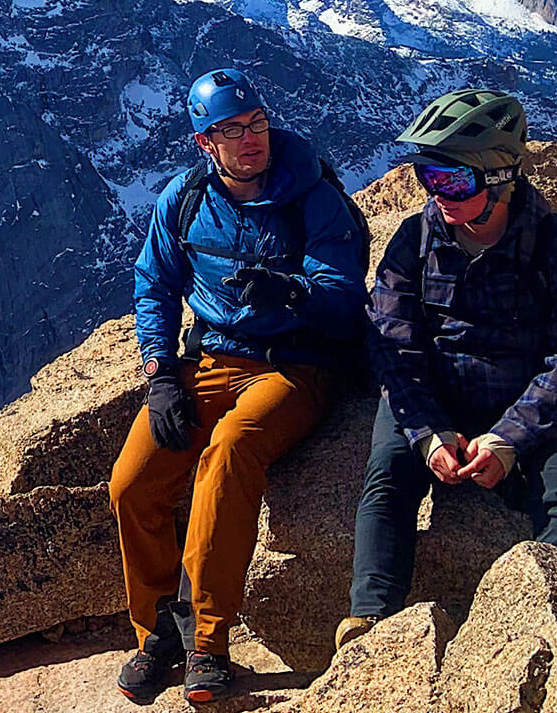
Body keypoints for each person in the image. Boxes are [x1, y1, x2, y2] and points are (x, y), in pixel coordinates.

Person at [109, 68, 369, 704]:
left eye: (256, 124)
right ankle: (155, 635)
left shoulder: (314, 195)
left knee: (230, 451)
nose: (251, 139)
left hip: (295, 364)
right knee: (133, 484)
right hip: (211, 361)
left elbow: (345, 300)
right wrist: (160, 372)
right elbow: (156, 285)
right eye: (231, 130)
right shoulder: (185, 198)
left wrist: (297, 293)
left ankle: (207, 641)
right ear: (206, 143)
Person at [335, 89, 557, 651]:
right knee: (388, 479)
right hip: (434, 391)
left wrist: (511, 439)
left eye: (455, 182)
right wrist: (427, 432)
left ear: (501, 178)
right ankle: (369, 621)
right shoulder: (414, 241)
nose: (438, 196)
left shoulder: (556, 245)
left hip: (524, 397)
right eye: (427, 177)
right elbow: (392, 344)